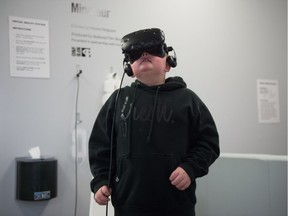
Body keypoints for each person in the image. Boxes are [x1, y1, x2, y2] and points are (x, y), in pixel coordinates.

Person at [89, 28, 220, 216]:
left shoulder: (188, 100)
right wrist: (101, 180)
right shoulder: (118, 100)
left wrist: (190, 168)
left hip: (176, 204)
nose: (144, 55)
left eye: (152, 51)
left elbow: (208, 142)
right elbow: (101, 145)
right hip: (128, 205)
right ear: (129, 68)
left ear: (168, 64)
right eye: (136, 54)